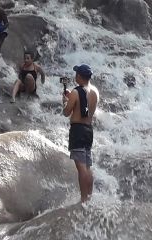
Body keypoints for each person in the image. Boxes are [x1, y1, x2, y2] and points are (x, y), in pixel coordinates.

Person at [62, 64, 99, 202]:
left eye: (76, 73)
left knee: (81, 167)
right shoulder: (95, 91)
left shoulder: (76, 92)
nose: (75, 75)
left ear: (79, 76)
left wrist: (65, 101)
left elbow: (66, 112)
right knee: (88, 166)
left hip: (77, 130)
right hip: (89, 130)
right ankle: (89, 197)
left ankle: (83, 199)